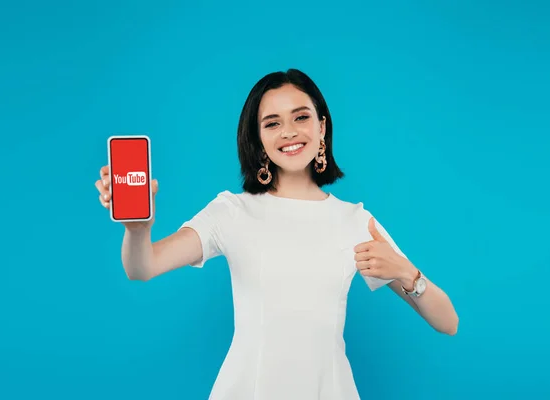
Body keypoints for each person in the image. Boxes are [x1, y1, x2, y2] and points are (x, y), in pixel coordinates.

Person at [94, 69, 459, 400]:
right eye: (272, 123)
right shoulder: (232, 211)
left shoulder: (354, 220)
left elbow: (448, 322)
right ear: (258, 139)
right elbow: (142, 267)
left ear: (322, 127)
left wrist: (406, 271)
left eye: (301, 117)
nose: (288, 131)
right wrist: (138, 229)